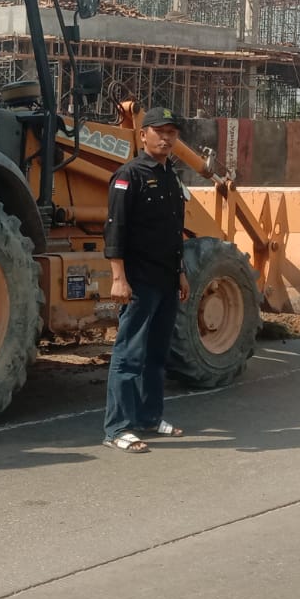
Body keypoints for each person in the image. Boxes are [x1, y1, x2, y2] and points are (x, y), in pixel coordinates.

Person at [101, 107, 192, 453]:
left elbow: (174, 231)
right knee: (129, 354)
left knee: (156, 354)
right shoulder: (129, 175)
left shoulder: (171, 176)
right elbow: (115, 229)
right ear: (143, 135)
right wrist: (118, 278)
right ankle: (118, 428)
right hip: (139, 280)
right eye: (159, 132)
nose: (166, 138)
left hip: (167, 279)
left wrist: (180, 272)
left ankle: (150, 417)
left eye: (172, 133)